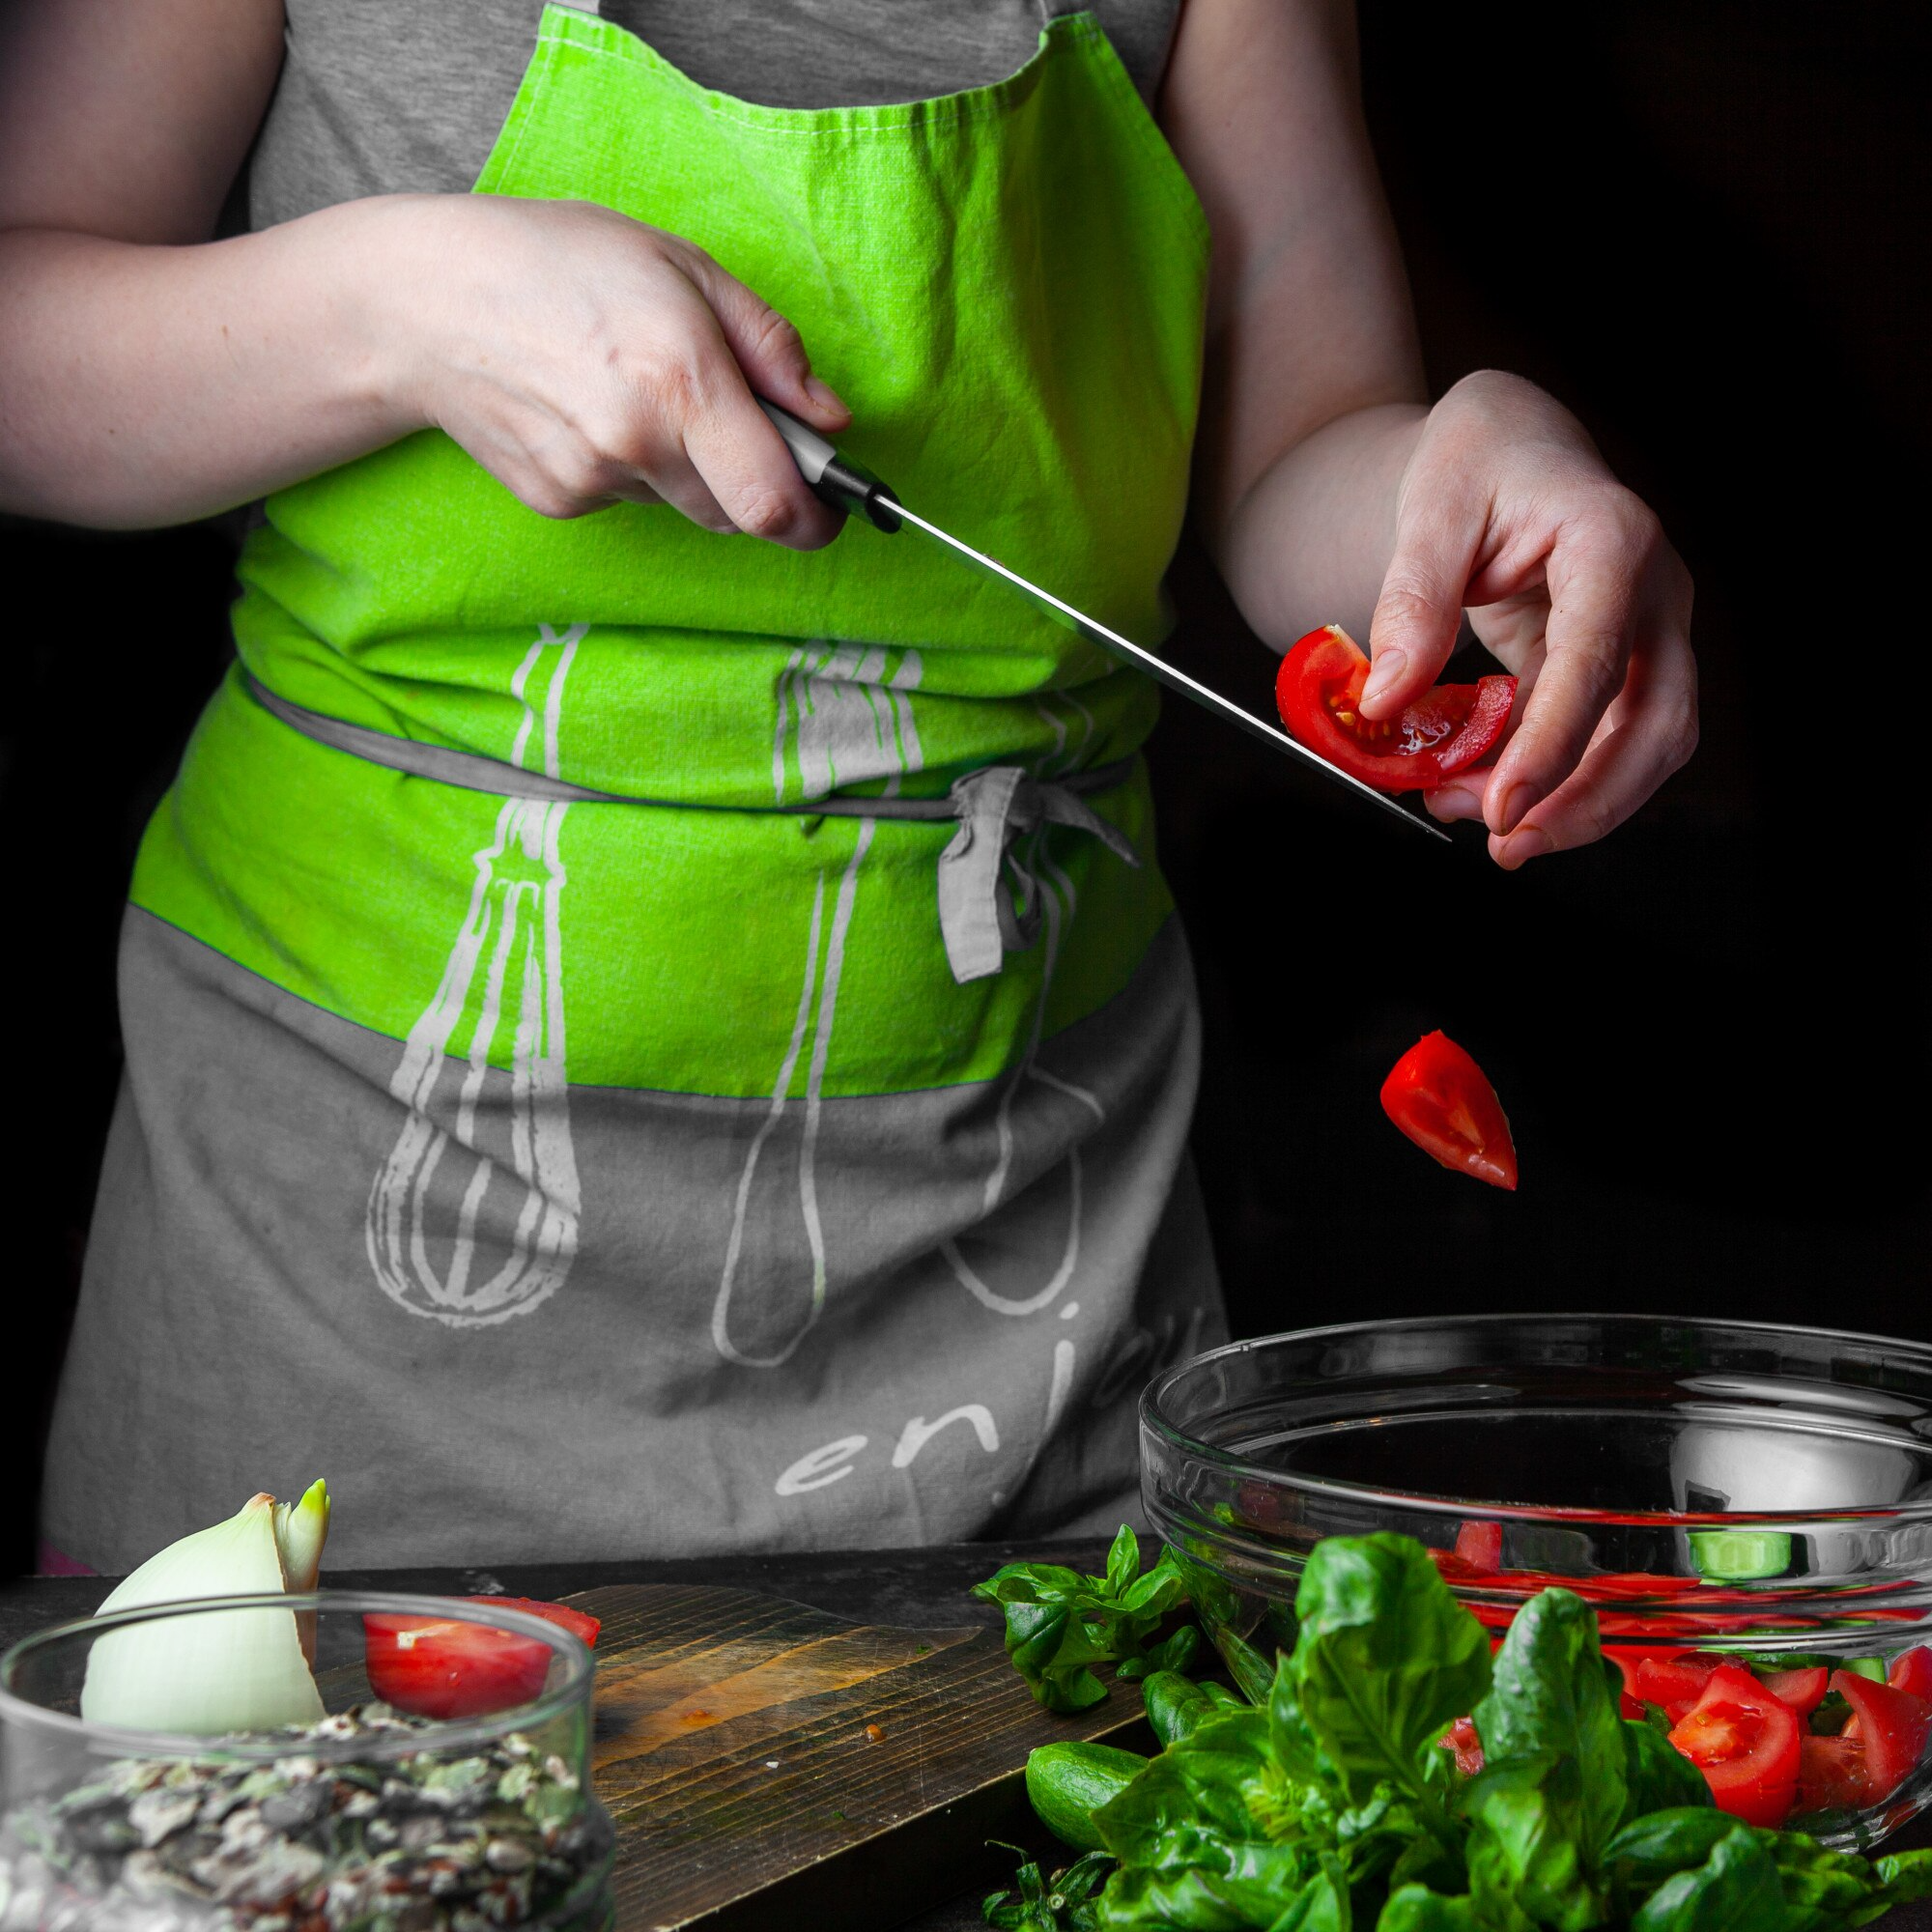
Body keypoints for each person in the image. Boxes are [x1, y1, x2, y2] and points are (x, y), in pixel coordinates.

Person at [0, 0, 1695, 1570]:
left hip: (1020, 1295)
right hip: (337, 1307)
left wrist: (1458, 497)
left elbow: (1305, 437)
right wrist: (396, 307)